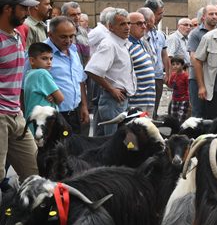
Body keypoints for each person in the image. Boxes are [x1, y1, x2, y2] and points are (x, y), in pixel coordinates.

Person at [0, 0, 39, 185]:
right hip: (1, 116)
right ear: (8, 9)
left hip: (16, 114)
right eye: (23, 8)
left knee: (34, 171)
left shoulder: (18, 34)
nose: (27, 13)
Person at [86, 8, 135, 136]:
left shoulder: (122, 43)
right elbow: (92, 70)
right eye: (122, 24)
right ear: (111, 27)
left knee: (116, 139)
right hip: (112, 100)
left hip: (121, 99)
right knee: (109, 141)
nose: (127, 27)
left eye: (128, 23)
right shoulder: (109, 44)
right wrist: (112, 89)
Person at [45, 16, 90, 133]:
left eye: (72, 36)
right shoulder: (41, 53)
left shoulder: (73, 51)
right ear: (50, 35)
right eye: (63, 37)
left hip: (75, 113)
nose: (68, 40)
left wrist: (84, 106)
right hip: (53, 116)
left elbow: (80, 81)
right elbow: (26, 85)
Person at [188, 4, 217, 117]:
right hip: (197, 79)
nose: (214, 16)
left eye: (216, 14)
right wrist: (201, 85)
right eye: (211, 14)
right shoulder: (195, 34)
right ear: (203, 17)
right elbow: (194, 58)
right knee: (198, 113)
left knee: (213, 113)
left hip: (215, 79)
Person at [142, 0, 169, 119]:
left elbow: (164, 54)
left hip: (157, 77)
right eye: (159, 14)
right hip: (144, 79)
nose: (161, 17)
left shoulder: (160, 34)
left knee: (153, 111)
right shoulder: (140, 34)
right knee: (143, 112)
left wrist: (168, 73)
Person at [126, 11, 156, 115]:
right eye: (139, 24)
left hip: (148, 99)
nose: (144, 26)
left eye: (144, 23)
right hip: (136, 101)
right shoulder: (127, 45)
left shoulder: (141, 42)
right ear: (128, 25)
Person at [22, 42, 63, 119]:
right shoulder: (42, 73)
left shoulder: (29, 74)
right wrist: (54, 98)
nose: (49, 62)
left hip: (32, 121)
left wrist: (53, 97)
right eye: (44, 58)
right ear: (32, 61)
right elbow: (60, 98)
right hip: (43, 122)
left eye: (51, 58)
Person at [60, 1, 90, 66]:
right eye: (73, 15)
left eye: (79, 14)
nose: (77, 17)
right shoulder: (58, 33)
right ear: (64, 16)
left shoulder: (83, 31)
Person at [166, 56, 190, 124]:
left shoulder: (185, 76)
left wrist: (189, 99)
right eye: (173, 64)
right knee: (173, 117)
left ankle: (180, 130)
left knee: (181, 117)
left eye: (177, 64)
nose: (175, 66)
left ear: (182, 65)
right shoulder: (173, 75)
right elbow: (170, 86)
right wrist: (167, 81)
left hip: (184, 99)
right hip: (174, 99)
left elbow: (188, 88)